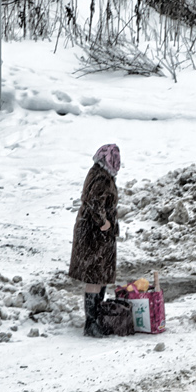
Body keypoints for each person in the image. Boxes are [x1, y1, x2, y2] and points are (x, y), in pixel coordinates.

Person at [70, 144, 122, 336]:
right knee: (95, 275)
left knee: (99, 275)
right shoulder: (101, 178)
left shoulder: (99, 173)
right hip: (94, 235)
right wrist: (104, 223)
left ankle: (95, 319)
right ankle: (91, 323)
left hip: (96, 234)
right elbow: (94, 203)